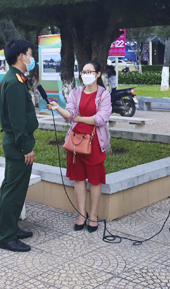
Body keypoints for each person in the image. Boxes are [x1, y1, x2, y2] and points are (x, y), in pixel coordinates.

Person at [48, 61, 112, 232]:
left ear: (98, 74)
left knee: (95, 179)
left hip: (95, 142)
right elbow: (70, 114)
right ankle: (81, 214)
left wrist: (78, 118)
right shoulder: (76, 92)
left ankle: (93, 215)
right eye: (83, 71)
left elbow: (101, 119)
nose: (86, 74)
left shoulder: (104, 95)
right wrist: (58, 109)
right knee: (78, 178)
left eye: (89, 71)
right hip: (76, 141)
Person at [0, 39, 38, 253]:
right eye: (30, 54)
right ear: (21, 56)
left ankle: (11, 227)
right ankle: (6, 237)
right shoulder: (13, 82)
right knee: (13, 191)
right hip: (18, 144)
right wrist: (26, 147)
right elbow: (16, 120)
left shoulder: (17, 78)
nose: (32, 58)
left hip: (18, 142)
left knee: (15, 188)